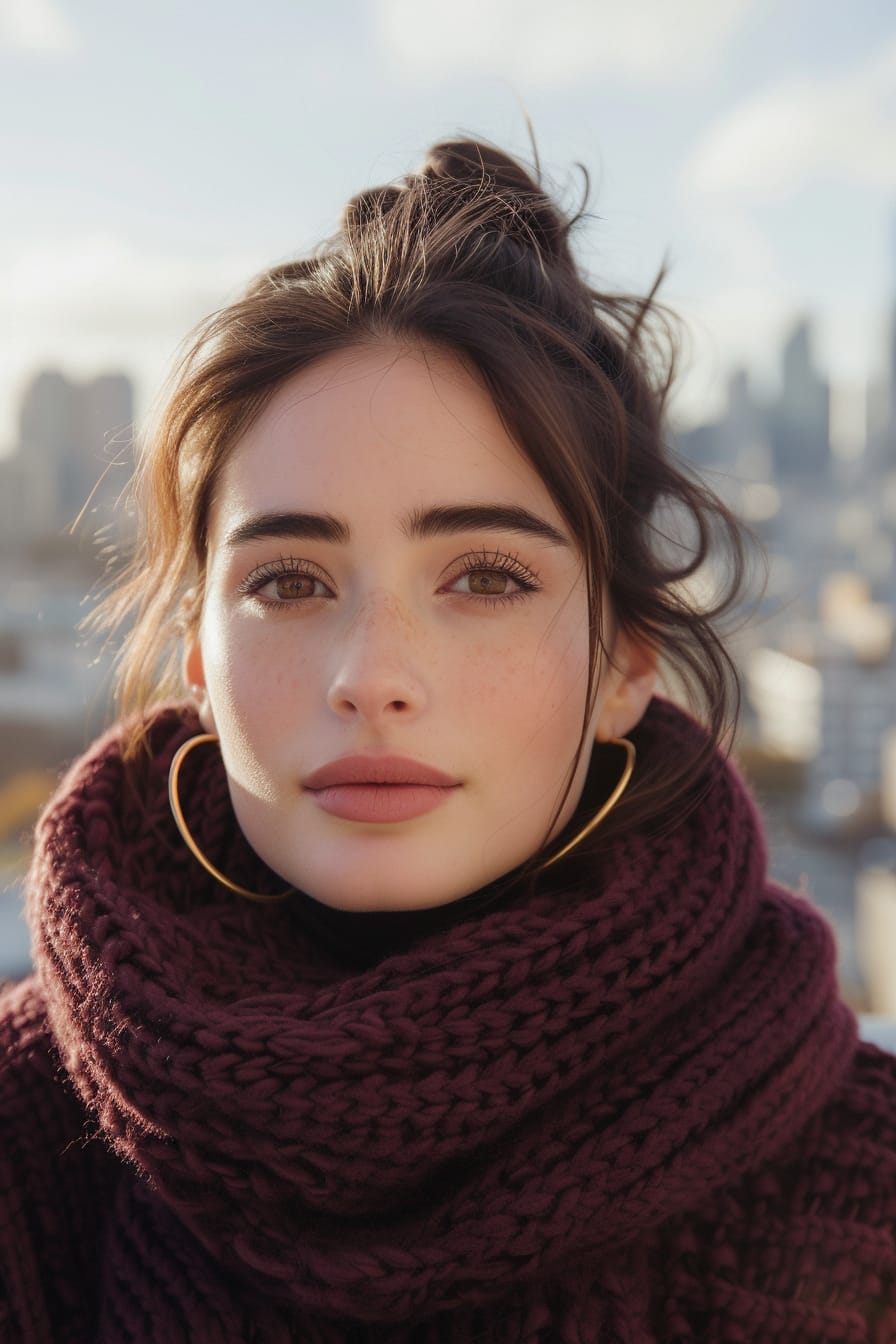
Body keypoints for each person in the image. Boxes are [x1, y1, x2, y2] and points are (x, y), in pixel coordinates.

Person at [0, 137, 894, 1344]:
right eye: (289, 581)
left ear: (626, 659)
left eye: (482, 576)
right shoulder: (20, 1139)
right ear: (197, 652)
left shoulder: (861, 1182)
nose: (371, 677)